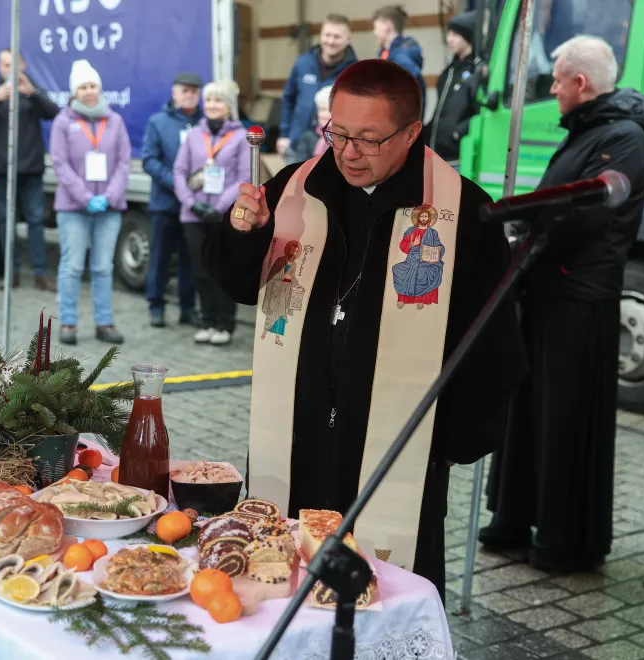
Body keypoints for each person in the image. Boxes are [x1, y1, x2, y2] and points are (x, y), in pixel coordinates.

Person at [202, 59, 525, 600]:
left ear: (412, 133)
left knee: (386, 601)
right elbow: (239, 285)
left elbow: (492, 347)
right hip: (298, 430)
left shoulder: (463, 212)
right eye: (339, 133)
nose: (348, 153)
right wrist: (244, 234)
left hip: (397, 448)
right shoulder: (295, 188)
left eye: (369, 140)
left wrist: (448, 444)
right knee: (285, 581)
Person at [480, 36, 644, 572]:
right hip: (545, 291)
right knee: (528, 410)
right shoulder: (587, 131)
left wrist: (524, 246)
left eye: (556, 80)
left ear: (580, 84)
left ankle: (563, 537)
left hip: (580, 299)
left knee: (564, 418)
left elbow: (584, 214)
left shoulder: (622, 138)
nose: (551, 90)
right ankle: (516, 516)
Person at [49, 60, 129, 346]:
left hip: (109, 207)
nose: (89, 91)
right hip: (73, 208)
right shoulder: (63, 122)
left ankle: (104, 323)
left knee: (103, 267)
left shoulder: (115, 121)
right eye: (83, 87)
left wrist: (108, 197)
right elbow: (59, 163)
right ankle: (68, 323)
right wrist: (85, 197)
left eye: (92, 85)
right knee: (71, 266)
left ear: (100, 87)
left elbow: (123, 162)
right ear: (74, 92)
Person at [0, 49, 60, 291]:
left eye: (14, 64)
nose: (10, 69)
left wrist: (34, 93)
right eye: (5, 64)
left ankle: (41, 273)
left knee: (35, 221)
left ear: (23, 64)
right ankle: (12, 272)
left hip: (31, 168)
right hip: (2, 169)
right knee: (6, 223)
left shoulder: (32, 89)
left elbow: (55, 113)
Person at [174, 80, 249, 346]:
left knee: (224, 271)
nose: (212, 106)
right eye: (209, 101)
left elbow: (244, 177)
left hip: (224, 215)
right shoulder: (194, 135)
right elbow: (180, 171)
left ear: (229, 105)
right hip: (193, 215)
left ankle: (224, 324)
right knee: (201, 270)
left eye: (219, 101)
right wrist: (191, 202)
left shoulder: (241, 137)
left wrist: (217, 207)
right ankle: (207, 321)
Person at [142, 72, 204, 328]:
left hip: (194, 204)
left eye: (194, 91)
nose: (189, 95)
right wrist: (176, 183)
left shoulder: (205, 123)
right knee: (161, 257)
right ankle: (156, 305)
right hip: (166, 203)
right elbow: (149, 160)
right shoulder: (159, 122)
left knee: (190, 258)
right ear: (174, 93)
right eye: (184, 90)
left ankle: (187, 308)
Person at [277, 14, 356, 164]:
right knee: (293, 186)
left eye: (337, 37)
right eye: (327, 35)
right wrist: (285, 134)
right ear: (320, 35)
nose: (331, 41)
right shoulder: (303, 63)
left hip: (333, 152)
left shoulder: (354, 72)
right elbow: (288, 99)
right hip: (296, 146)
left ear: (348, 38)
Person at [428, 11, 479, 163]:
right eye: (448, 34)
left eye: (455, 34)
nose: (449, 39)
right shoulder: (449, 71)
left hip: (457, 157)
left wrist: (458, 132)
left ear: (467, 36)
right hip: (436, 152)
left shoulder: (476, 70)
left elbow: (480, 113)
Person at [373, 5, 426, 114]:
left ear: (387, 25)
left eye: (375, 27)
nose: (374, 33)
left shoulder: (402, 57)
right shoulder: (387, 54)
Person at [310, 86, 333, 159]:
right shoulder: (308, 137)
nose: (326, 115)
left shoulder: (345, 138)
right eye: (322, 109)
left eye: (330, 110)